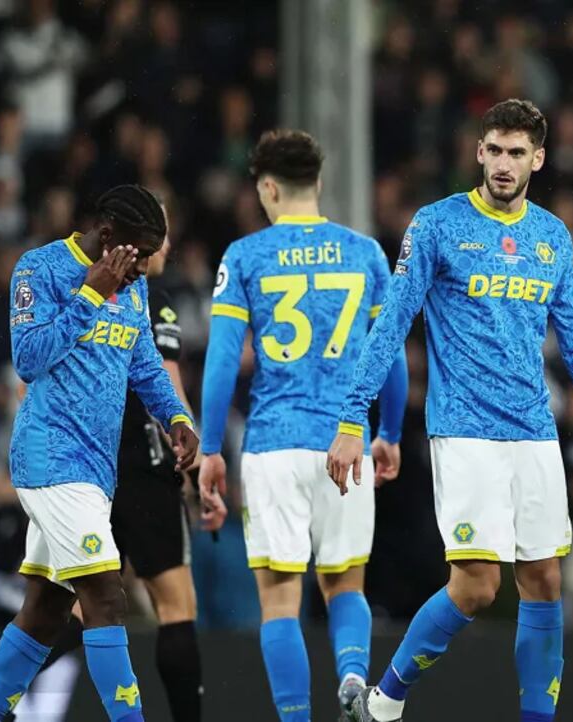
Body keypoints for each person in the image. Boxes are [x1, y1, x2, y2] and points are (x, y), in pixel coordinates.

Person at [328, 98, 573, 722]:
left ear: (538, 159)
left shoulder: (551, 237)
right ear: (478, 151)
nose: (503, 163)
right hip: (465, 430)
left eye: (516, 153)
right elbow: (391, 324)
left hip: (534, 431)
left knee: (544, 582)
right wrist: (351, 419)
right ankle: (384, 703)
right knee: (476, 587)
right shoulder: (437, 225)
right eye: (494, 150)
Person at [0, 220, 226, 722]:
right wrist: (89, 294)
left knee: (46, 610)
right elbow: (27, 360)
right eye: (143, 253)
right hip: (55, 459)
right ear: (110, 239)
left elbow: (147, 365)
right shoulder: (42, 267)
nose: (147, 265)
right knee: (108, 595)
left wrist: (177, 417)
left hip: (100, 468)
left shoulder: (138, 288)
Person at [198, 129, 408, 721]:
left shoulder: (245, 256)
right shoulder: (364, 252)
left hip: (273, 442)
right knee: (346, 584)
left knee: (279, 601)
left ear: (267, 188)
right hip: (345, 441)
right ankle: (352, 675)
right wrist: (389, 432)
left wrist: (211, 448)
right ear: (317, 182)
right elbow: (389, 355)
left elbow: (221, 361)